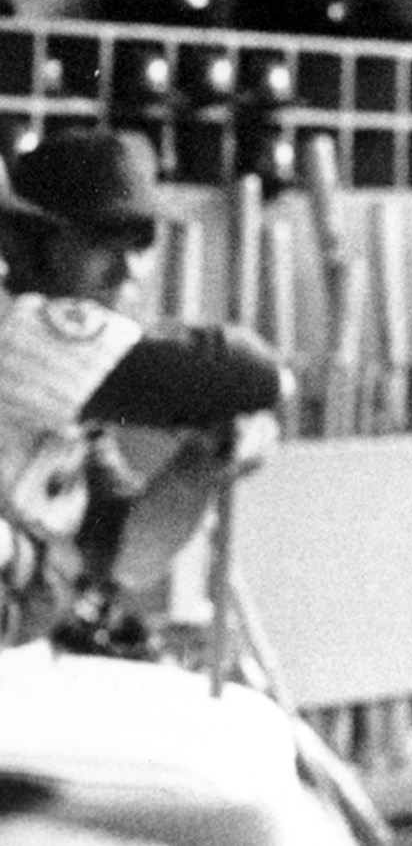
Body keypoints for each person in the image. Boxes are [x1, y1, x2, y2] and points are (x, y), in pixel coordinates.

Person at [0, 130, 288, 649]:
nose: (127, 271)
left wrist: (205, 459)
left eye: (141, 246)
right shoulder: (22, 331)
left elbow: (125, 556)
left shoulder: (75, 389)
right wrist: (266, 390)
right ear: (39, 246)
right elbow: (251, 373)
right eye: (101, 243)